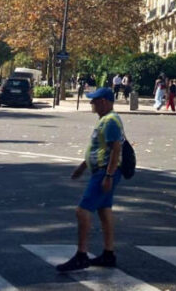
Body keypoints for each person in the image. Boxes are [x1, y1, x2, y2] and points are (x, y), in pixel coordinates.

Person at [56, 86, 125, 272]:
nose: (91, 103)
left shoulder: (110, 121)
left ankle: (81, 255)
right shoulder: (106, 120)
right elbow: (99, 148)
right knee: (104, 210)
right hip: (103, 170)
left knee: (82, 210)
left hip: (105, 171)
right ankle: (108, 254)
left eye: (94, 100)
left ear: (103, 102)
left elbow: (115, 149)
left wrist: (109, 176)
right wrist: (82, 166)